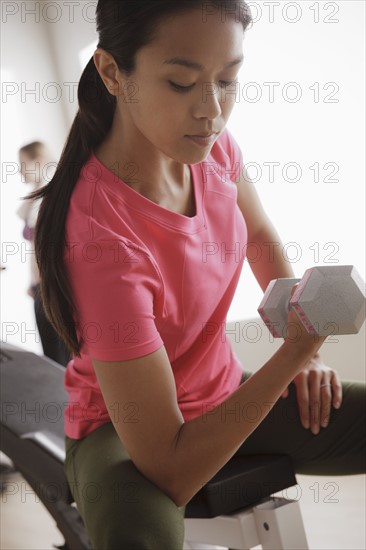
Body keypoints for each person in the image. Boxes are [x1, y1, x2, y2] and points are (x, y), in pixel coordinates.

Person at [28, 1, 365, 548]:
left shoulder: (215, 150)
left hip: (219, 390)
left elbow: (257, 235)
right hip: (121, 428)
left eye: (228, 80)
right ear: (113, 73)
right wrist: (295, 353)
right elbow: (170, 468)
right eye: (182, 82)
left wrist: (308, 349)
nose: (212, 110)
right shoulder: (99, 237)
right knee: (141, 537)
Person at [17, 142, 71, 367]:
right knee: (54, 354)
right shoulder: (36, 198)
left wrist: (42, 283)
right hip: (41, 285)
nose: (19, 171)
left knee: (57, 357)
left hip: (51, 286)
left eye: (23, 164)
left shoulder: (48, 197)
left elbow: (48, 247)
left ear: (37, 161)